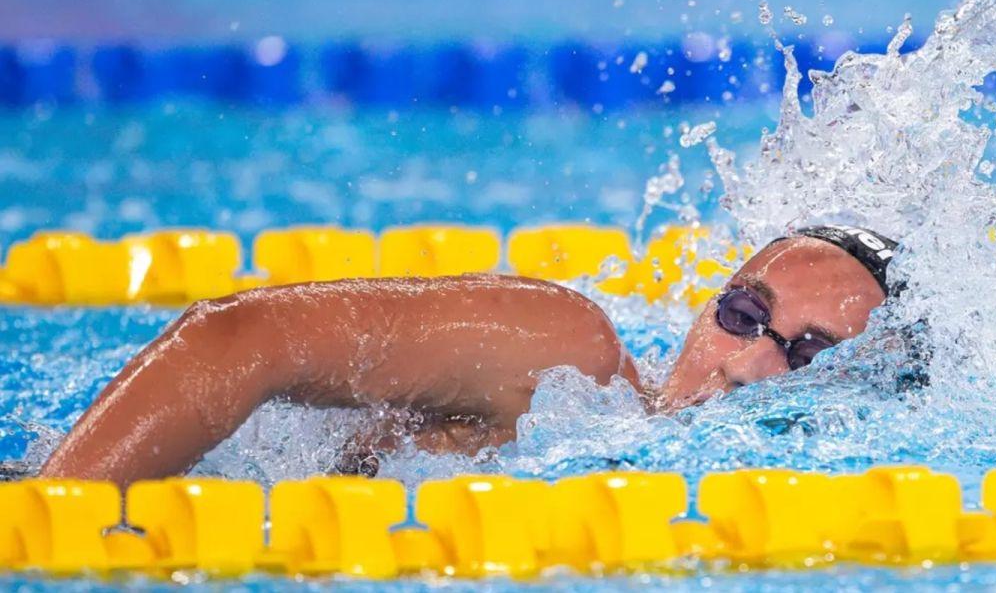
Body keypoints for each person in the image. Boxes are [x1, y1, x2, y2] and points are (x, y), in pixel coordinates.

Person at [38, 225, 897, 486]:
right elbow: (239, 337)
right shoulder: (562, 362)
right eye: (745, 314)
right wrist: (55, 522)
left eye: (809, 354)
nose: (746, 363)